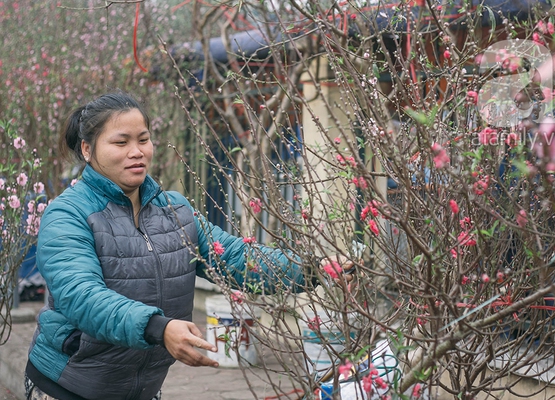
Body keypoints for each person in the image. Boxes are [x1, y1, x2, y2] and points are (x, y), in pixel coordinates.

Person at [25, 91, 353, 400]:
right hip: (66, 387)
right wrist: (159, 327)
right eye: (120, 142)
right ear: (87, 150)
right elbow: (80, 295)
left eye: (143, 139)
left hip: (141, 388)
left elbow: (236, 260)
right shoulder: (67, 214)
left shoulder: (175, 211)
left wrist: (313, 270)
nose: (137, 151)